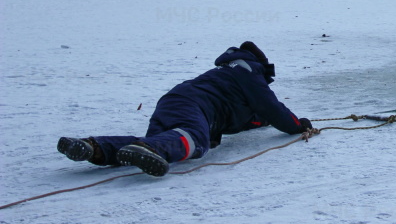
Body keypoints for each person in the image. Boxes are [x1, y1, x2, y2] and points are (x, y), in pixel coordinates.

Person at [57, 42, 316, 177]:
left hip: (175, 100)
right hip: (195, 105)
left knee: (156, 141)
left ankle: (95, 148)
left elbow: (254, 116)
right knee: (195, 140)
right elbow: (270, 106)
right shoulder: (248, 70)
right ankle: (153, 149)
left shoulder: (230, 76)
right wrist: (296, 125)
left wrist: (266, 122)